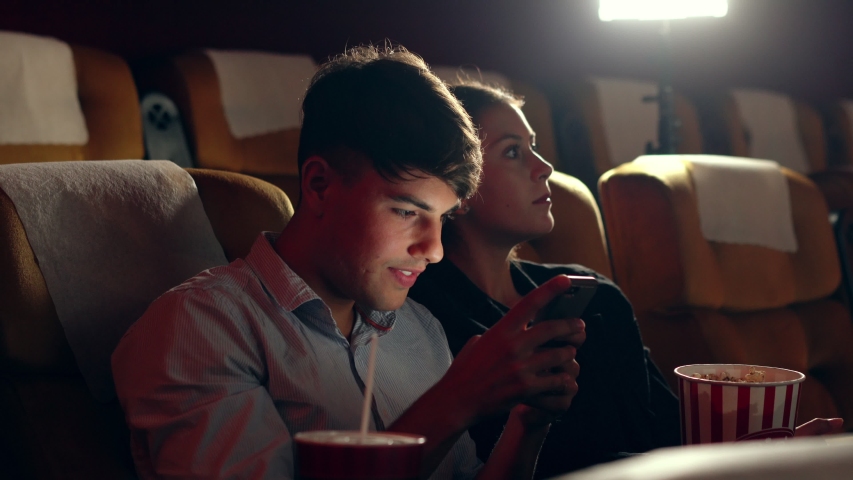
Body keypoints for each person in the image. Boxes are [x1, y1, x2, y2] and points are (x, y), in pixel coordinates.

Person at [111, 46, 585, 480]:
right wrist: (456, 401)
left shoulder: (420, 329)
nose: (435, 250)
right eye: (406, 211)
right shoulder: (202, 327)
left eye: (442, 217)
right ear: (319, 185)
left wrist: (527, 422)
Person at [407, 81, 845, 477]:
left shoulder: (596, 295)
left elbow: (672, 440)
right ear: (457, 189)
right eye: (512, 152)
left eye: (535, 146)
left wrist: (761, 456)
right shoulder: (421, 313)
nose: (544, 167)